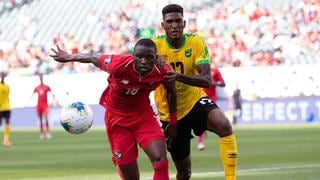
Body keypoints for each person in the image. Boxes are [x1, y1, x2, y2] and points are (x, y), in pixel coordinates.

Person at [50, 38, 177, 180]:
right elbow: (93, 57)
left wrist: (173, 122)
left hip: (143, 117)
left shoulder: (162, 70)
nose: (143, 61)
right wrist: (69, 57)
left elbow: (171, 91)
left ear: (155, 58)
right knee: (130, 175)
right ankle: (119, 160)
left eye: (149, 57)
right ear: (133, 56)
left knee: (160, 160)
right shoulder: (118, 64)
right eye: (139, 56)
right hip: (117, 121)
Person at [152, 4, 238, 180]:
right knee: (184, 173)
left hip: (195, 101)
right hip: (170, 114)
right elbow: (133, 59)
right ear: (163, 25)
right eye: (170, 22)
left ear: (184, 23)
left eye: (177, 21)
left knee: (224, 125)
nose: (174, 25)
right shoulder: (154, 46)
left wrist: (176, 76)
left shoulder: (195, 41)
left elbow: (206, 80)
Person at [197, 66, 226, 150]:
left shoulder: (215, 70)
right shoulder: (199, 69)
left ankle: (205, 128)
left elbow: (223, 83)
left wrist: (215, 83)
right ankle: (200, 142)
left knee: (213, 119)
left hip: (212, 99)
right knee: (200, 119)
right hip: (200, 97)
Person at [30, 74, 56, 139]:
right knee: (40, 119)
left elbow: (52, 94)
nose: (41, 79)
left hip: (45, 105)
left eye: (41, 77)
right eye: (40, 77)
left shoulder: (47, 87)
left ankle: (47, 133)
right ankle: (42, 133)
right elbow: (32, 95)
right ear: (39, 78)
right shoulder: (37, 87)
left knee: (46, 118)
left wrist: (53, 102)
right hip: (39, 105)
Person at [0, 72, 12, 146]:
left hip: (6, 107)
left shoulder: (7, 86)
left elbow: (7, 97)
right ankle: (6, 139)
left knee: (7, 122)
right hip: (1, 107)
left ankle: (6, 139)